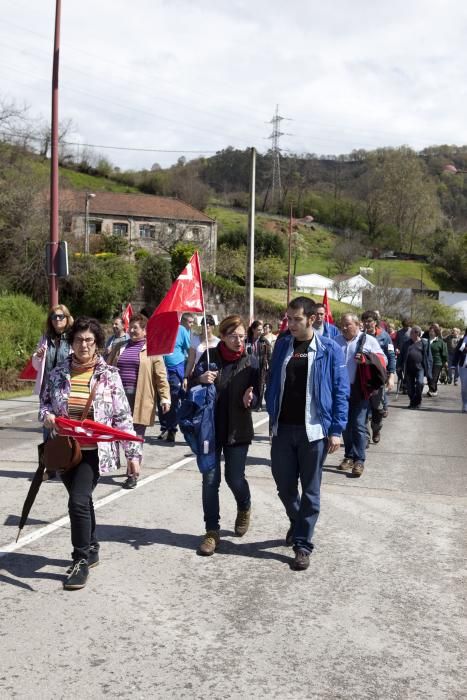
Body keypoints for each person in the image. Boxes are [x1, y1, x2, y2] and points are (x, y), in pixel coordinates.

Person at [39, 317, 142, 590]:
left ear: (97, 343)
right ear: (71, 343)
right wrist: (48, 416)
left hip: (95, 452)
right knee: (82, 501)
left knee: (77, 502)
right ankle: (93, 545)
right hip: (65, 451)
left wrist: (133, 455)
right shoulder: (58, 372)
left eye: (89, 340)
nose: (83, 345)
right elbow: (44, 405)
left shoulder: (109, 375)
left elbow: (122, 417)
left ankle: (80, 559)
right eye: (78, 340)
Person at [266, 297, 349, 571]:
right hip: (282, 429)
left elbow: (340, 391)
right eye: (288, 318)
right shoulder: (282, 344)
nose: (290, 324)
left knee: (310, 491)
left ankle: (302, 545)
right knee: (284, 486)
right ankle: (298, 520)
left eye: (296, 319)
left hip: (313, 431)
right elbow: (273, 381)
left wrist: (336, 430)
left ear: (312, 319)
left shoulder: (330, 349)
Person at [190, 314, 259, 556]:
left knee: (234, 478)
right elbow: (189, 386)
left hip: (238, 429)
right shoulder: (209, 358)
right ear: (223, 335)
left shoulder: (251, 362)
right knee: (210, 481)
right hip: (209, 430)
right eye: (233, 336)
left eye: (242, 336)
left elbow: (259, 395)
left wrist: (252, 399)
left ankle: (244, 505)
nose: (239, 341)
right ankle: (211, 531)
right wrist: (199, 378)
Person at [108, 313, 170, 488]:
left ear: (145, 331)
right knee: (120, 434)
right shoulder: (119, 346)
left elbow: (161, 376)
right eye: (130, 327)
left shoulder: (152, 350)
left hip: (141, 398)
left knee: (135, 436)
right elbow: (107, 368)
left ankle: (132, 473)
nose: (132, 330)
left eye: (136, 328)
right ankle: (129, 462)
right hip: (119, 398)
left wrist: (165, 397)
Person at [335, 313, 385, 477]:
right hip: (341, 390)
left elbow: (382, 360)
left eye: (347, 324)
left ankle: (359, 460)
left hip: (360, 389)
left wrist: (366, 359)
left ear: (358, 325)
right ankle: (348, 456)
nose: (344, 327)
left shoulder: (368, 340)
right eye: (342, 324)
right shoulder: (336, 341)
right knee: (345, 425)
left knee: (358, 424)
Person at [158, 313, 193, 442]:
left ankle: (172, 429)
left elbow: (189, 350)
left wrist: (189, 369)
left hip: (175, 368)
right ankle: (165, 427)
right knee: (161, 399)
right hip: (161, 369)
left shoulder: (182, 330)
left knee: (173, 398)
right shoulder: (161, 330)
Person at [361, 310, 396, 440]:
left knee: (378, 409)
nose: (366, 324)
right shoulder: (360, 336)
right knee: (362, 407)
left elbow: (391, 356)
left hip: (379, 377)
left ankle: (376, 428)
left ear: (375, 322)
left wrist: (391, 375)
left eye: (369, 321)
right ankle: (364, 437)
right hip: (364, 376)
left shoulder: (385, 336)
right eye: (364, 321)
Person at [32, 304, 74, 399]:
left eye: (61, 316)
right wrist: (38, 356)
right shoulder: (45, 338)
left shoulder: (73, 338)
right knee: (46, 413)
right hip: (47, 389)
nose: (57, 319)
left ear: (67, 318)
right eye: (54, 317)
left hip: (65, 389)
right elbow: (36, 367)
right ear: (50, 320)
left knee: (63, 413)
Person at [397, 325, 433, 410]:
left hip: (419, 368)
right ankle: (413, 402)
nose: (410, 334)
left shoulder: (424, 343)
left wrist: (429, 370)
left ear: (417, 334)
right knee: (410, 387)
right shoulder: (406, 343)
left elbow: (429, 357)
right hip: (408, 369)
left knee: (420, 383)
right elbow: (401, 356)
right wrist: (398, 365)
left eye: (412, 332)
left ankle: (418, 399)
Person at [184, 314, 219, 380]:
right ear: (202, 325)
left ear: (213, 326)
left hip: (213, 374)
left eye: (210, 323)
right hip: (199, 374)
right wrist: (185, 377)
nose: (207, 325)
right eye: (205, 323)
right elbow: (191, 361)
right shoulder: (195, 340)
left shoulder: (218, 342)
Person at [246, 320, 271, 409]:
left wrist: (270, 367)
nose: (261, 331)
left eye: (262, 329)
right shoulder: (247, 340)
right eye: (259, 329)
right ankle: (250, 402)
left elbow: (269, 355)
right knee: (249, 385)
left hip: (260, 368)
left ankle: (258, 404)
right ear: (253, 329)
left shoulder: (264, 341)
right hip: (248, 368)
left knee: (260, 386)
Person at [426, 324, 448, 397]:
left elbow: (444, 354)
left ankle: (431, 390)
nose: (430, 333)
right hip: (428, 362)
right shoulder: (426, 341)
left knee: (434, 377)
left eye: (432, 331)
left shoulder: (441, 342)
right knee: (429, 377)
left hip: (437, 362)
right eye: (430, 331)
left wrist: (445, 362)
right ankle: (434, 390)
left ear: (436, 333)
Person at [453, 329, 467, 412]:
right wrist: (454, 364)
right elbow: (457, 353)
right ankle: (465, 404)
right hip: (463, 367)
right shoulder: (462, 341)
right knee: (465, 387)